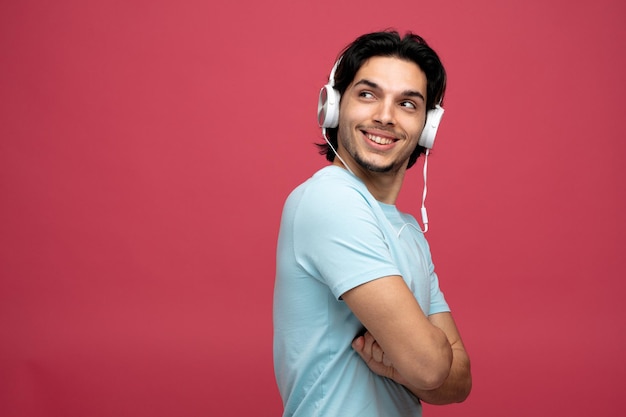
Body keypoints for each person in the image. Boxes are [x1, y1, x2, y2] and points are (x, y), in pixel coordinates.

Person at [273, 30, 471, 417]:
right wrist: (418, 363)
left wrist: (400, 362)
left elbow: (459, 381)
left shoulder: (409, 232)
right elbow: (431, 366)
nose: (385, 116)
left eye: (408, 104)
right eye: (367, 94)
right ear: (332, 106)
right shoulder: (329, 199)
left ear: (426, 128)